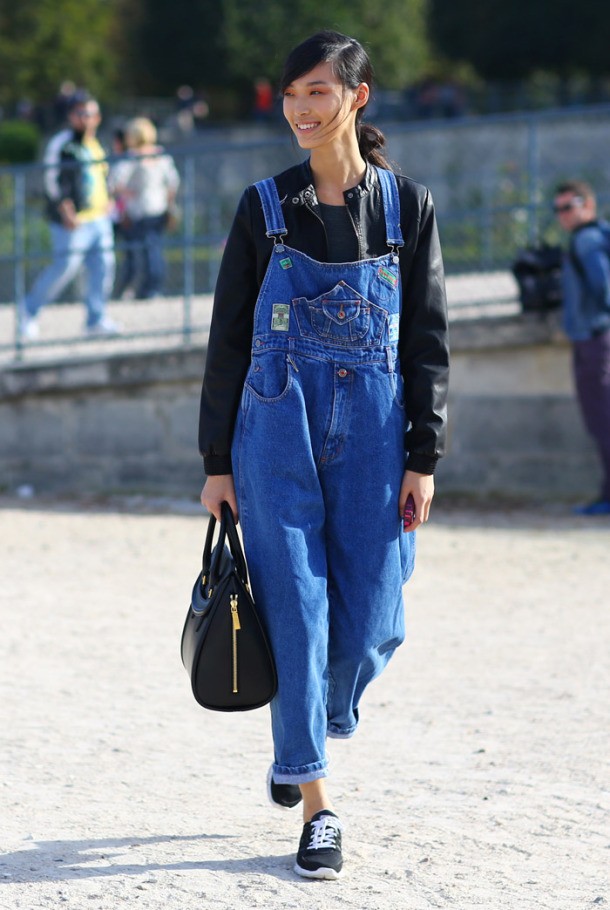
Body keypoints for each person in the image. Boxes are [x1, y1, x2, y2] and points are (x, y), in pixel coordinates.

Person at [199, 31, 449, 880]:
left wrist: (424, 455)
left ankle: (307, 726)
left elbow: (428, 341)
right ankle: (314, 796)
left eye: (318, 91)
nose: (301, 109)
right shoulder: (262, 207)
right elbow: (228, 342)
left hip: (377, 434)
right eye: (292, 94)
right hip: (274, 429)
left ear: (357, 95)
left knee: (377, 616)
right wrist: (216, 462)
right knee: (297, 611)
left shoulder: (408, 207)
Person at [20, 93, 117, 339]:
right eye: (81, 113)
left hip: (99, 217)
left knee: (103, 267)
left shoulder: (97, 143)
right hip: (73, 219)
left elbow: (103, 175)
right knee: (65, 267)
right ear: (71, 116)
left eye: (91, 114)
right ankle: (29, 310)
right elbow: (51, 178)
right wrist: (65, 208)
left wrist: (110, 199)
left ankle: (95, 319)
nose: (86, 118)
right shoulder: (62, 143)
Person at [554, 180, 610, 515]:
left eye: (568, 206)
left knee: (602, 419)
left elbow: (604, 287)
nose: (562, 214)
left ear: (588, 205)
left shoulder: (586, 239)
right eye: (557, 209)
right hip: (595, 338)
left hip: (595, 340)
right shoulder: (594, 236)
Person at [108, 117, 180, 300]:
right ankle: (151, 288)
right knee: (154, 250)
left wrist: (127, 193)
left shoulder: (133, 156)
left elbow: (114, 182)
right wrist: (168, 201)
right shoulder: (160, 155)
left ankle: (147, 289)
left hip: (140, 211)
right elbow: (173, 182)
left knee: (144, 252)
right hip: (159, 208)